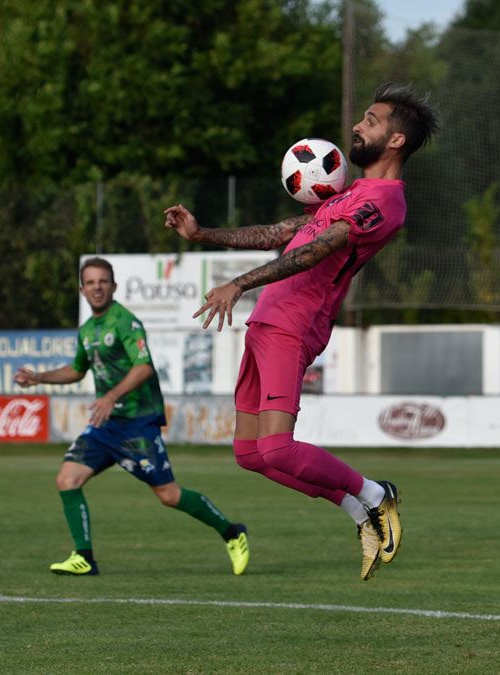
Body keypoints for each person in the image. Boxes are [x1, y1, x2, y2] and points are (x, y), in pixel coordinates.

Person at [163, 82, 440, 581]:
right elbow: (286, 232)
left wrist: (240, 284)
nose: (358, 126)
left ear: (396, 141)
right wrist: (203, 235)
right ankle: (359, 513)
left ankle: (378, 495)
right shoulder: (350, 191)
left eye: (371, 121)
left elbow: (317, 250)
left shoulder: (385, 203)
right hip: (266, 324)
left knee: (277, 448)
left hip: (295, 326)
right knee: (250, 455)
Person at [14, 257, 250, 576]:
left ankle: (232, 533)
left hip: (138, 423)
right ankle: (84, 557)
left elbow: (143, 367)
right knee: (67, 479)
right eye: (91, 282)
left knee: (168, 495)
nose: (97, 287)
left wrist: (110, 396)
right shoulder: (88, 329)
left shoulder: (125, 321)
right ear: (82, 289)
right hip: (105, 426)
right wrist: (39, 378)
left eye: (103, 282)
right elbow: (77, 369)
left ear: (113, 286)